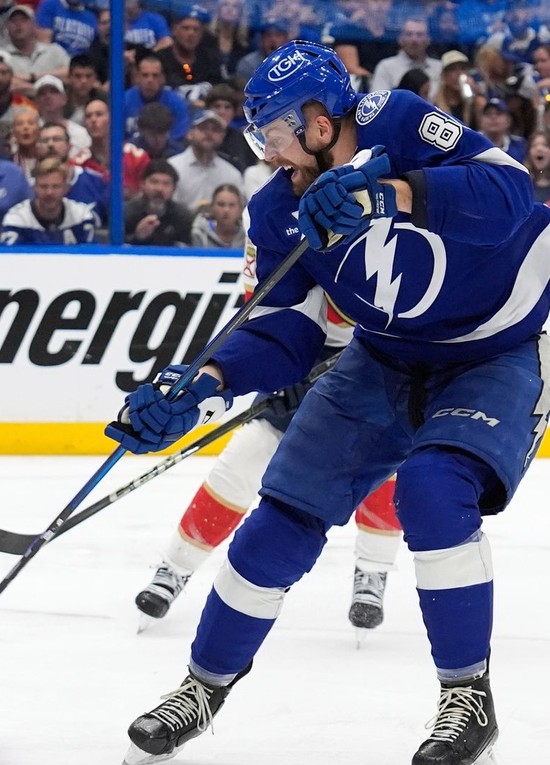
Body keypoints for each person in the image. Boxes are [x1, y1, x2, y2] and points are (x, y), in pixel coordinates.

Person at [110, 41, 550, 765]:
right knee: (277, 518)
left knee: (434, 491)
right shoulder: (276, 209)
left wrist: (394, 193)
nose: (269, 153)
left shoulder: (401, 121)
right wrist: (206, 383)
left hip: (492, 353)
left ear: (321, 123)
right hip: (379, 358)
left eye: (278, 134)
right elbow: (288, 326)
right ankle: (201, 686)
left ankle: (466, 698)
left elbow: (512, 198)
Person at [136, 227, 402, 630]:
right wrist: (284, 374)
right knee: (243, 461)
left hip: (374, 360)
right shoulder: (274, 218)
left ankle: (373, 572)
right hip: (303, 345)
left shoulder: (384, 225)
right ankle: (175, 567)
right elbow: (262, 314)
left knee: (384, 466)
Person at [0, 156, 97, 244]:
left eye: (56, 186)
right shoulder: (17, 218)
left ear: (66, 188)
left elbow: (92, 259)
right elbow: (10, 260)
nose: (49, 192)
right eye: (43, 186)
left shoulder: (81, 216)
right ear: (34, 187)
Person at [123, 159, 193, 246]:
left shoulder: (183, 216)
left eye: (166, 184)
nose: (159, 189)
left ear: (174, 188)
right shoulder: (125, 212)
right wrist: (137, 237)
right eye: (154, 182)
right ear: (142, 184)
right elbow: (113, 249)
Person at [187, 182, 245, 250]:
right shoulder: (199, 233)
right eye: (221, 204)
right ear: (211, 208)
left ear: (240, 209)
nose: (226, 210)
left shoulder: (248, 236)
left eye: (232, 205)